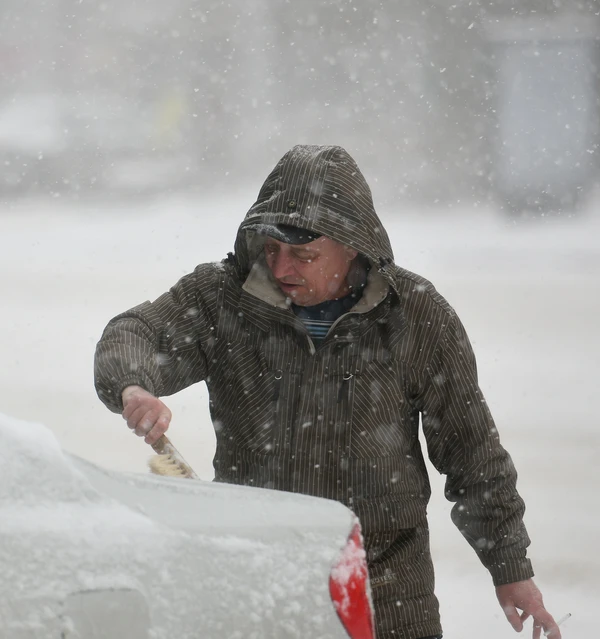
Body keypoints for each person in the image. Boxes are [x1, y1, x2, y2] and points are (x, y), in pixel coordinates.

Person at [93, 145, 561, 639]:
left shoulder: (415, 315)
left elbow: (472, 453)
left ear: (352, 245)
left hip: (388, 593)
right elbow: (134, 332)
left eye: (303, 254)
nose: (280, 269)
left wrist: (510, 568)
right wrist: (132, 386)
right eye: (271, 249)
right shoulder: (224, 299)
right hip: (258, 583)